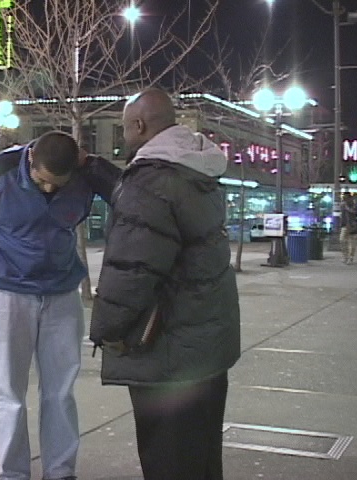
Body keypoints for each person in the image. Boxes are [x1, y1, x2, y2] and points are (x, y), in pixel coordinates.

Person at [89, 88, 241, 480]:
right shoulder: (197, 171)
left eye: (124, 129)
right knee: (202, 456)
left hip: (167, 353)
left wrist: (106, 331)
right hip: (205, 346)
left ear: (139, 125)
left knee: (169, 459)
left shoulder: (151, 181)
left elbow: (132, 269)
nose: (124, 138)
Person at [0, 131, 117, 480]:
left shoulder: (82, 174)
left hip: (61, 293)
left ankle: (60, 471)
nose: (49, 190)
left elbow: (127, 194)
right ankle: (11, 473)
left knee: (60, 391)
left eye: (58, 184)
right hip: (7, 292)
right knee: (9, 391)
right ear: (30, 161)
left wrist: (91, 164)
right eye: (43, 181)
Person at [339, 193, 357, 264]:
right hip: (344, 225)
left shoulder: (354, 205)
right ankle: (345, 256)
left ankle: (350, 257)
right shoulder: (342, 205)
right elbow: (341, 215)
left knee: (352, 243)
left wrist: (347, 208)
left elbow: (356, 213)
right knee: (342, 240)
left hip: (352, 225)